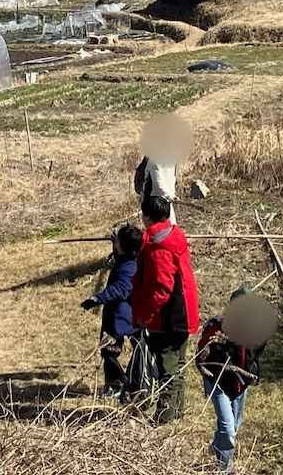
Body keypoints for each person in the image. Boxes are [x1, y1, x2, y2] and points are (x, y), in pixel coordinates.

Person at [130, 194, 200, 424]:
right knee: (178, 365)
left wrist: (145, 315)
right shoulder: (175, 236)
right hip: (185, 312)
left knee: (167, 369)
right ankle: (176, 412)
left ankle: (163, 418)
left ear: (146, 217)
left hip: (168, 317)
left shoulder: (157, 247)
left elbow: (161, 288)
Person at [197, 288, 265, 473]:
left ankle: (217, 448)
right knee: (228, 429)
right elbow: (202, 353)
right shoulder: (217, 326)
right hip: (217, 381)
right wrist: (218, 344)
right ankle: (224, 468)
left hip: (240, 384)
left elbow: (251, 355)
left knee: (234, 426)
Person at [81, 223, 142, 397]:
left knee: (109, 350)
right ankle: (124, 383)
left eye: (118, 241)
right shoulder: (130, 258)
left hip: (119, 316)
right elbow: (120, 256)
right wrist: (116, 244)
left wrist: (97, 299)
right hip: (128, 315)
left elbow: (120, 288)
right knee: (131, 348)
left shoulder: (129, 267)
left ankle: (118, 384)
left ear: (123, 245)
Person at [133, 156, 176, 221]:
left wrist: (171, 195)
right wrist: (170, 196)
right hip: (155, 202)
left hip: (163, 200)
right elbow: (158, 183)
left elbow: (171, 179)